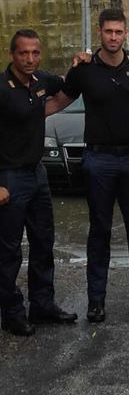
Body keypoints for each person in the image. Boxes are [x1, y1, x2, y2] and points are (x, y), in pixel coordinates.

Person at [45, 8, 129, 323]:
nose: (113, 37)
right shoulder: (84, 69)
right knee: (99, 230)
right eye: (108, 31)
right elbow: (58, 101)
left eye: (118, 32)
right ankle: (96, 299)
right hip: (99, 160)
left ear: (125, 33)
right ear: (99, 32)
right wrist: (22, 114)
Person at [0, 29, 77, 337]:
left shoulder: (41, 81)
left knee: (43, 243)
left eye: (35, 53)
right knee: (8, 252)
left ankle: (42, 305)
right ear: (12, 55)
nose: (30, 59)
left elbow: (68, 84)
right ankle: (12, 314)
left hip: (38, 174)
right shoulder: (2, 88)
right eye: (23, 53)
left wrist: (80, 64)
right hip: (9, 177)